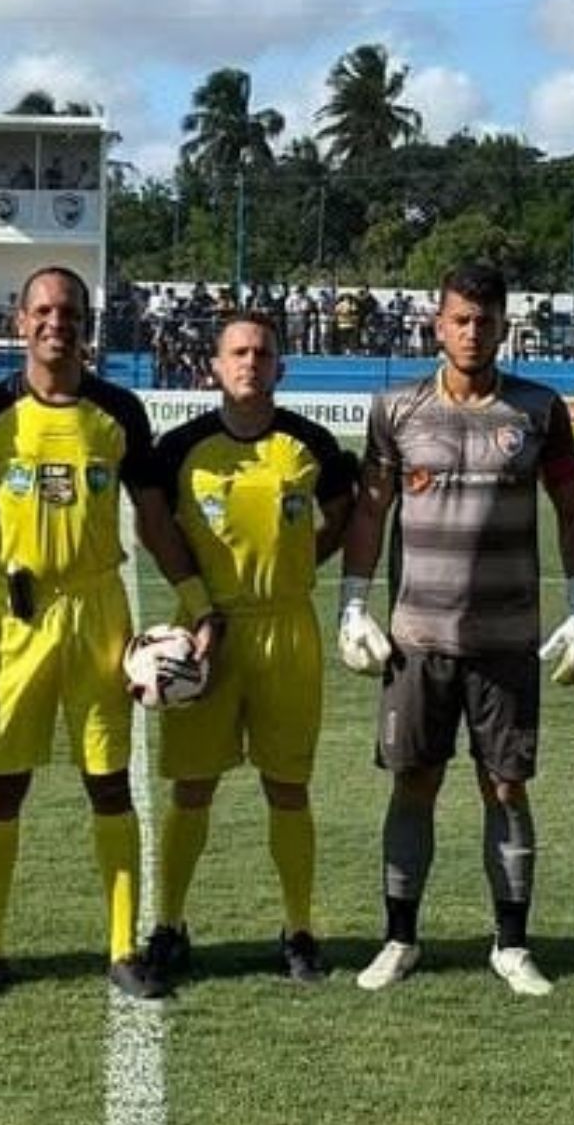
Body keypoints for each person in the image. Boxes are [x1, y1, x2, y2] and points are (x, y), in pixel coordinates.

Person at [0, 265, 213, 1000]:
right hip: (13, 622)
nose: (56, 323)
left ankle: (122, 947)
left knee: (108, 783)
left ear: (86, 323)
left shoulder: (118, 412)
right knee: (1, 785)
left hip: (99, 615)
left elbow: (155, 518)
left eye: (69, 312)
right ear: (20, 322)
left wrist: (198, 603)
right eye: (42, 311)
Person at [338, 262, 574, 997]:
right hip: (417, 639)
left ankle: (511, 945)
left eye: (485, 320)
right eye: (460, 319)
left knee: (506, 789)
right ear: (438, 325)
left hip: (507, 640)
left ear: (505, 325)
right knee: (413, 784)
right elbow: (371, 508)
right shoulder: (396, 407)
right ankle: (399, 938)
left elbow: (573, 509)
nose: (472, 332)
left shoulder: (539, 409)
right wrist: (353, 603)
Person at [141, 313, 357, 986]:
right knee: (192, 787)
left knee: (287, 786)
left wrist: (301, 566)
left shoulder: (311, 444)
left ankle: (298, 929)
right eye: (237, 352)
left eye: (262, 352)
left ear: (280, 366)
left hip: (285, 631)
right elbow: (155, 527)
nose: (250, 363)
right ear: (214, 365)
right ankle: (169, 925)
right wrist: (198, 605)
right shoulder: (181, 448)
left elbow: (346, 515)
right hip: (204, 635)